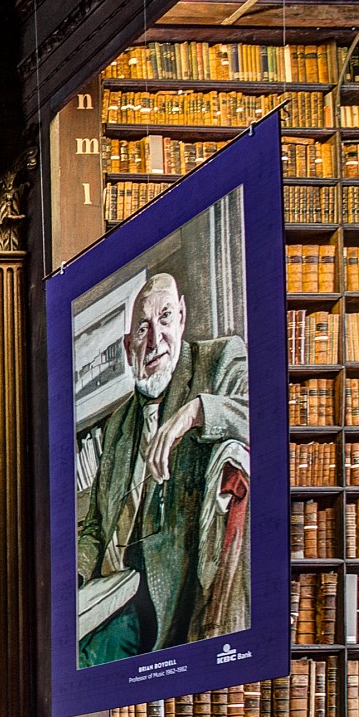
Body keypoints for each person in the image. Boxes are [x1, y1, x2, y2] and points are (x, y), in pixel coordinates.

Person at [74, 270, 252, 665]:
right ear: (127, 346)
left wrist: (195, 411)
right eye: (142, 329)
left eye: (166, 318)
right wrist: (76, 576)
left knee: (87, 659)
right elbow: (96, 527)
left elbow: (266, 415)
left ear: (183, 316)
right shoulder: (119, 422)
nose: (155, 341)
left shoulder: (219, 360)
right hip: (108, 588)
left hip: (163, 594)